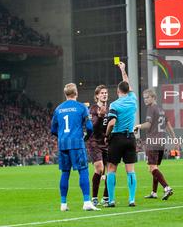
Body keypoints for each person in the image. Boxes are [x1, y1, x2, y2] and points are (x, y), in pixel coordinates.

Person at [51, 83, 100, 211]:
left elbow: (53, 129)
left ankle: (63, 205)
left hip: (63, 144)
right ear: (76, 93)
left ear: (65, 94)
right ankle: (87, 202)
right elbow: (89, 127)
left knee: (65, 173)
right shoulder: (82, 107)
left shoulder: (58, 109)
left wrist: (62, 136)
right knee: (83, 170)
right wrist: (86, 137)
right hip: (77, 143)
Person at [103, 61, 137, 207]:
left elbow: (111, 123)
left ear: (118, 91)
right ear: (128, 91)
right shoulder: (133, 99)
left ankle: (110, 200)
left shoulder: (115, 105)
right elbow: (127, 85)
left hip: (117, 138)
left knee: (112, 168)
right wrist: (123, 70)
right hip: (130, 137)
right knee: (130, 170)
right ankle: (132, 199)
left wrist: (106, 136)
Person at [134, 89, 176, 200]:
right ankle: (154, 192)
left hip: (153, 142)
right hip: (162, 142)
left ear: (154, 97)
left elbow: (147, 125)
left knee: (151, 168)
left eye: (147, 97)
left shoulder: (151, 109)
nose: (145, 100)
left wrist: (137, 126)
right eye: (144, 98)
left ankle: (166, 187)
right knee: (155, 167)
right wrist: (174, 138)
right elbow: (168, 125)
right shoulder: (161, 110)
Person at [86, 85, 109, 206]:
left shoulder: (110, 109)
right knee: (100, 169)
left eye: (105, 93)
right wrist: (100, 118)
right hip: (94, 141)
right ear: (97, 95)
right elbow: (92, 127)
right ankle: (94, 198)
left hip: (106, 142)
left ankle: (106, 197)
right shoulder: (93, 109)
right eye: (102, 93)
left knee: (110, 170)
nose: (104, 94)